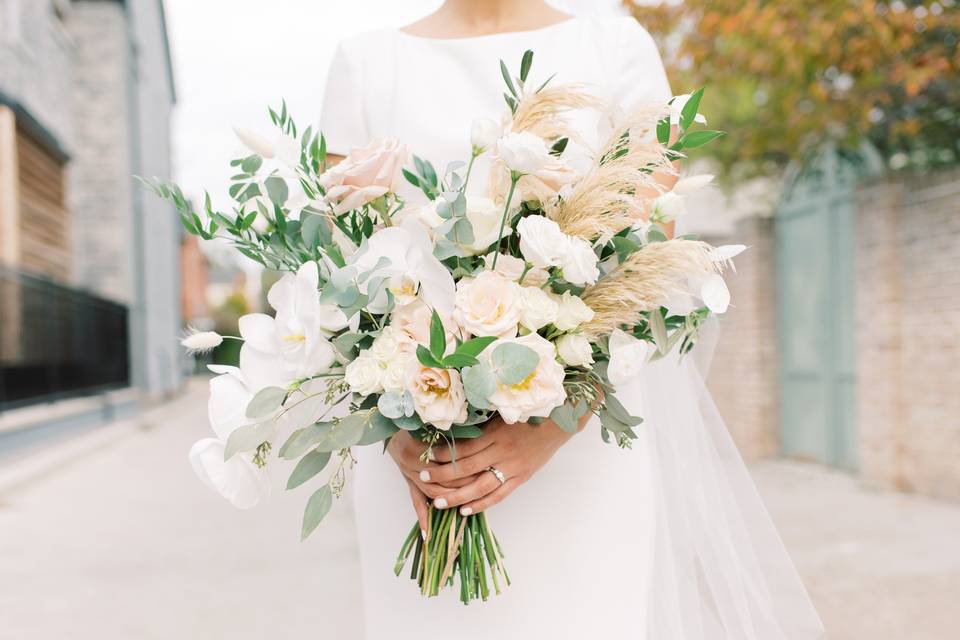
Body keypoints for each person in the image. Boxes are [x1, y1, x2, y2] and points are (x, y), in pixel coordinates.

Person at [320, 2, 825, 638]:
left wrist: (557, 424)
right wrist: (397, 429)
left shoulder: (613, 46)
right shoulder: (363, 64)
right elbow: (334, 273)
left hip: (580, 447)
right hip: (422, 456)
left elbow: (646, 264)